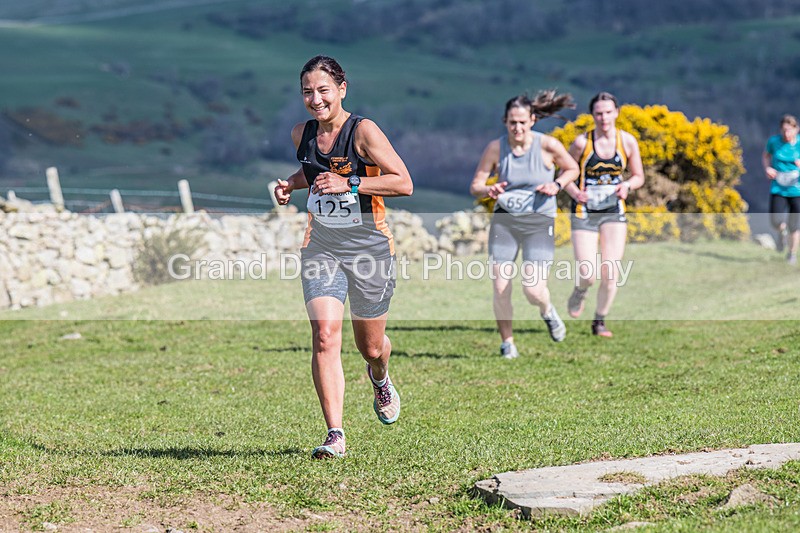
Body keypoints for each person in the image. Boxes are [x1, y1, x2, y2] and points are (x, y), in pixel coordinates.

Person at [274, 55, 413, 459]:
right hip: (322, 247)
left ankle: (380, 375)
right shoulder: (301, 133)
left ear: (341, 89)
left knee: (370, 347)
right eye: (307, 92)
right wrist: (291, 185)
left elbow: (403, 182)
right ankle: (335, 434)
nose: (315, 99)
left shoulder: (363, 131)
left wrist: (351, 183)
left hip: (369, 248)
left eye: (323, 90)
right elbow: (312, 173)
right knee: (324, 336)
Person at [470, 91, 580, 359]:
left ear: (532, 120)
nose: (517, 128)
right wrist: (489, 189)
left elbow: (572, 169)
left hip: (538, 223)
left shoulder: (548, 145)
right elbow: (475, 186)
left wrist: (556, 185)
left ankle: (547, 311)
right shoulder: (496, 148)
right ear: (505, 122)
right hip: (505, 223)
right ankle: (508, 343)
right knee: (500, 287)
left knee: (532, 289)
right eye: (511, 123)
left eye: (522, 122)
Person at [562, 92, 644, 338]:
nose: (604, 118)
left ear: (617, 112)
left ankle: (599, 321)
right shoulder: (581, 143)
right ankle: (580, 291)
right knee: (588, 273)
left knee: (611, 272)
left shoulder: (627, 142)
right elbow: (564, 174)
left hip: (613, 212)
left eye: (608, 112)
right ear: (592, 115)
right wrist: (576, 192)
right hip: (584, 212)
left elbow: (639, 176)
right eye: (598, 113)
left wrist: (627, 186)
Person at [763, 114, 800, 265]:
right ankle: (782, 233)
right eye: (784, 130)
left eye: (789, 130)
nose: (786, 134)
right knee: (776, 220)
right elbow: (766, 156)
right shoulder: (774, 142)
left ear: (796, 130)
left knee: (795, 225)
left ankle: (792, 254)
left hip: (797, 190)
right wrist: (768, 168)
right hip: (778, 188)